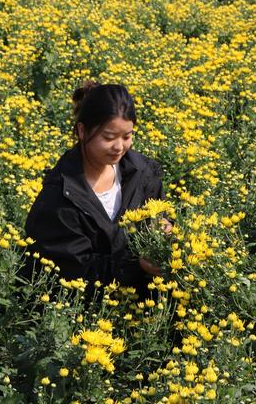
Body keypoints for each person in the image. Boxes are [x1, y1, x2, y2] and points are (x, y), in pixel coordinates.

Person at [22, 81, 170, 297]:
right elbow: (73, 274)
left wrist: (164, 229)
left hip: (141, 306)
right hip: (79, 313)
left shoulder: (143, 173)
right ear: (82, 131)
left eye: (127, 136)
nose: (119, 147)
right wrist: (135, 265)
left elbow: (160, 215)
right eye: (108, 137)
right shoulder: (59, 196)